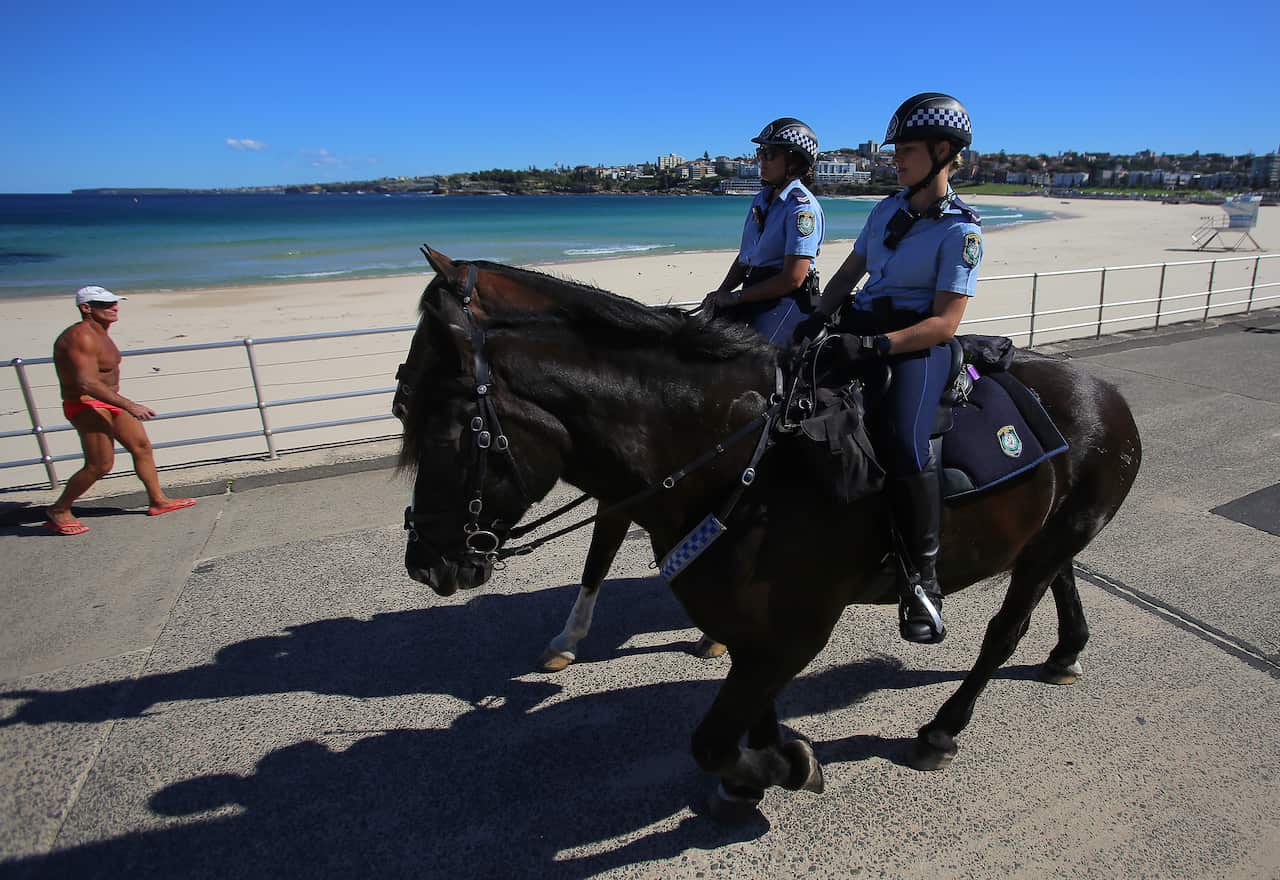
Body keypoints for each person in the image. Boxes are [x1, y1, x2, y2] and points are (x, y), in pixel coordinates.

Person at [806, 93, 983, 644]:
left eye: (906, 150)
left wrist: (876, 348)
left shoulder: (963, 232)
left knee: (904, 444)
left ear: (943, 151)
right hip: (859, 328)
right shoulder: (886, 209)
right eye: (896, 150)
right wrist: (814, 320)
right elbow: (848, 273)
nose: (896, 159)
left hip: (913, 346)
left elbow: (945, 323)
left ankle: (922, 580)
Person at [45, 286, 196, 535]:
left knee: (141, 447)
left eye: (114, 303)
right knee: (100, 465)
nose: (114, 308)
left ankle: (158, 501)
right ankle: (59, 509)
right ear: (86, 308)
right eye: (105, 305)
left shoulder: (101, 332)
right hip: (85, 404)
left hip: (109, 401)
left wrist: (121, 403)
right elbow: (87, 383)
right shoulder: (80, 337)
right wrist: (130, 405)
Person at [702, 117, 826, 345]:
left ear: (795, 161)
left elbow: (793, 278)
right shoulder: (762, 199)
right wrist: (720, 294)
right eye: (761, 152)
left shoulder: (802, 208)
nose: (761, 160)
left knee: (757, 356)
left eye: (770, 154)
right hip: (754, 291)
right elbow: (745, 258)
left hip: (785, 298)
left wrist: (736, 297)